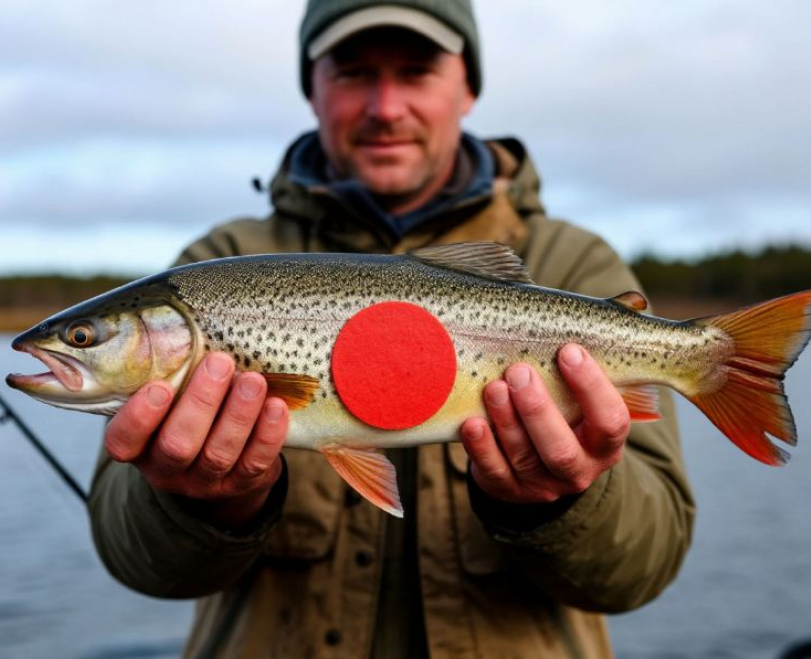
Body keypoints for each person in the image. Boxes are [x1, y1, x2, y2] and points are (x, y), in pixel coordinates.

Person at [89, 1, 695, 657]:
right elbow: (137, 560)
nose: (384, 105)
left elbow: (648, 565)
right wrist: (207, 504)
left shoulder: (573, 265)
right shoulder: (216, 264)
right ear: (311, 89)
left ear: (467, 88)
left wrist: (558, 502)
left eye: (416, 71)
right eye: (352, 73)